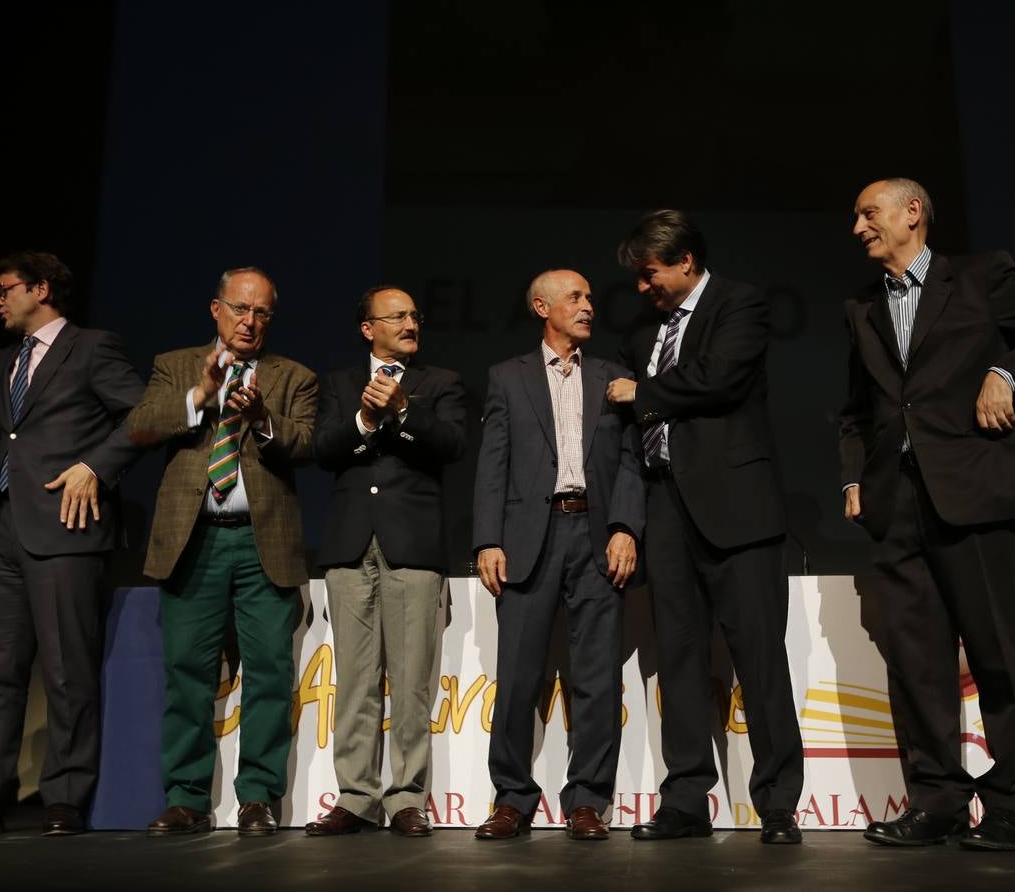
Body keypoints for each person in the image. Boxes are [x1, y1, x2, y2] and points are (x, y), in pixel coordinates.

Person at [840, 178, 1015, 851]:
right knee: (917, 663)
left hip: (974, 495)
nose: (859, 228)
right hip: (895, 506)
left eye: (869, 214)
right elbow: (855, 411)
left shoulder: (981, 277)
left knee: (995, 658)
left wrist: (1006, 374)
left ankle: (1014, 806)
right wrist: (852, 478)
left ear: (912, 212)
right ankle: (938, 803)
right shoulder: (862, 308)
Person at [0, 252, 146, 838]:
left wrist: (95, 467)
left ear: (41, 289)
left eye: (5, 290)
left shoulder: (93, 348)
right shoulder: (5, 359)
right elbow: (5, 432)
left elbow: (141, 415)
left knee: (68, 670)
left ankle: (66, 797)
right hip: (2, 529)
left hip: (68, 527)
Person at [609, 210, 803, 845]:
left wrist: (641, 392)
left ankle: (777, 804)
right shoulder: (644, 333)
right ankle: (685, 798)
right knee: (681, 659)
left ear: (686, 260)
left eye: (651, 273)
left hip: (738, 510)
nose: (644, 287)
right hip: (666, 510)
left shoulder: (739, 305)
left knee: (759, 659)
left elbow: (719, 379)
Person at [128, 267, 317, 837]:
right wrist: (202, 393)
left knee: (268, 674)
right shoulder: (175, 364)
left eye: (261, 313)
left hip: (264, 542)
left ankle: (258, 796)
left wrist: (262, 419)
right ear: (216, 309)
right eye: (240, 309)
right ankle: (186, 797)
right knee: (188, 673)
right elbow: (140, 427)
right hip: (194, 540)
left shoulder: (293, 377)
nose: (250, 321)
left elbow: (306, 443)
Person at [471, 269, 645, 841]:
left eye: (590, 297)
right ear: (542, 307)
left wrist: (625, 526)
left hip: (595, 533)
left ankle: (588, 800)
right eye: (576, 297)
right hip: (528, 537)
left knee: (596, 678)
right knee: (519, 676)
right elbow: (492, 462)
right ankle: (512, 798)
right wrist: (487, 539)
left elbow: (629, 461)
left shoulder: (613, 376)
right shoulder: (507, 377)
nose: (589, 305)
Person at [305, 286, 466, 838]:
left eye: (414, 315)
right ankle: (356, 797)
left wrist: (401, 413)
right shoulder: (340, 384)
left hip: (413, 546)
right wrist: (366, 423)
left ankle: (405, 799)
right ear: (367, 328)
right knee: (354, 680)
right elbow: (323, 448)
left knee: (411, 680)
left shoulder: (438, 382)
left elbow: (451, 444)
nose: (409, 323)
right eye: (395, 316)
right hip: (351, 545)